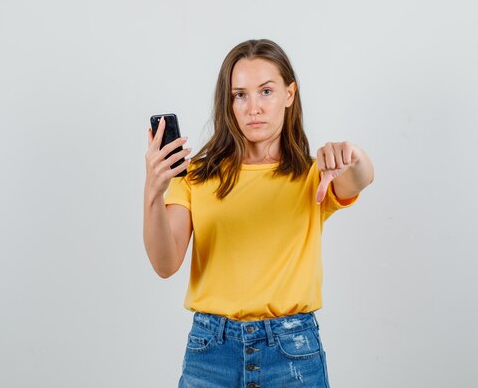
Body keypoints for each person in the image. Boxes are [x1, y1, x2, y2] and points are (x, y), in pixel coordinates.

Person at [143, 39, 374, 388]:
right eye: (240, 95)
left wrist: (352, 156)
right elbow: (165, 264)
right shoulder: (195, 176)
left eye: (266, 91)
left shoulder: (313, 175)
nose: (254, 107)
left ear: (289, 94)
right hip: (211, 351)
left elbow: (361, 178)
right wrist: (152, 192)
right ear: (229, 102)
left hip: (292, 351)